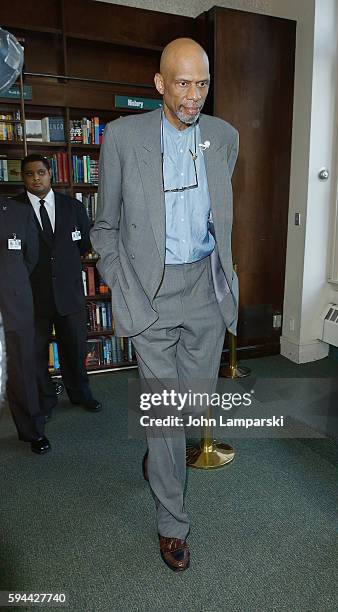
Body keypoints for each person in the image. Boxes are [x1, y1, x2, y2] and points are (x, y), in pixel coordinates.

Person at [91, 38, 239, 571]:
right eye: (182, 83)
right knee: (165, 413)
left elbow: (219, 217)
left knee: (191, 407)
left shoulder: (224, 138)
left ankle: (162, 451)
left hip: (205, 287)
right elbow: (104, 227)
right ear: (159, 84)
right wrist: (126, 289)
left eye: (202, 84)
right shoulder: (123, 138)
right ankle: (171, 522)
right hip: (150, 293)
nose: (193, 96)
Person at [16, 154, 102, 419]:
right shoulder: (12, 210)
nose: (36, 178)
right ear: (23, 178)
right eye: (29, 174)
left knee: (74, 348)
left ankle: (80, 393)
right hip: (32, 297)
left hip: (69, 293)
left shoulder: (72, 206)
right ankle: (45, 399)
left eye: (40, 172)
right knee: (36, 353)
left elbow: (84, 245)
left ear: (50, 173)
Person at [0, 196, 51, 454]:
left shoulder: (19, 212)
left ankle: (33, 430)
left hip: (14, 303)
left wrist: (12, 282)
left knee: (21, 370)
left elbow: (31, 257)